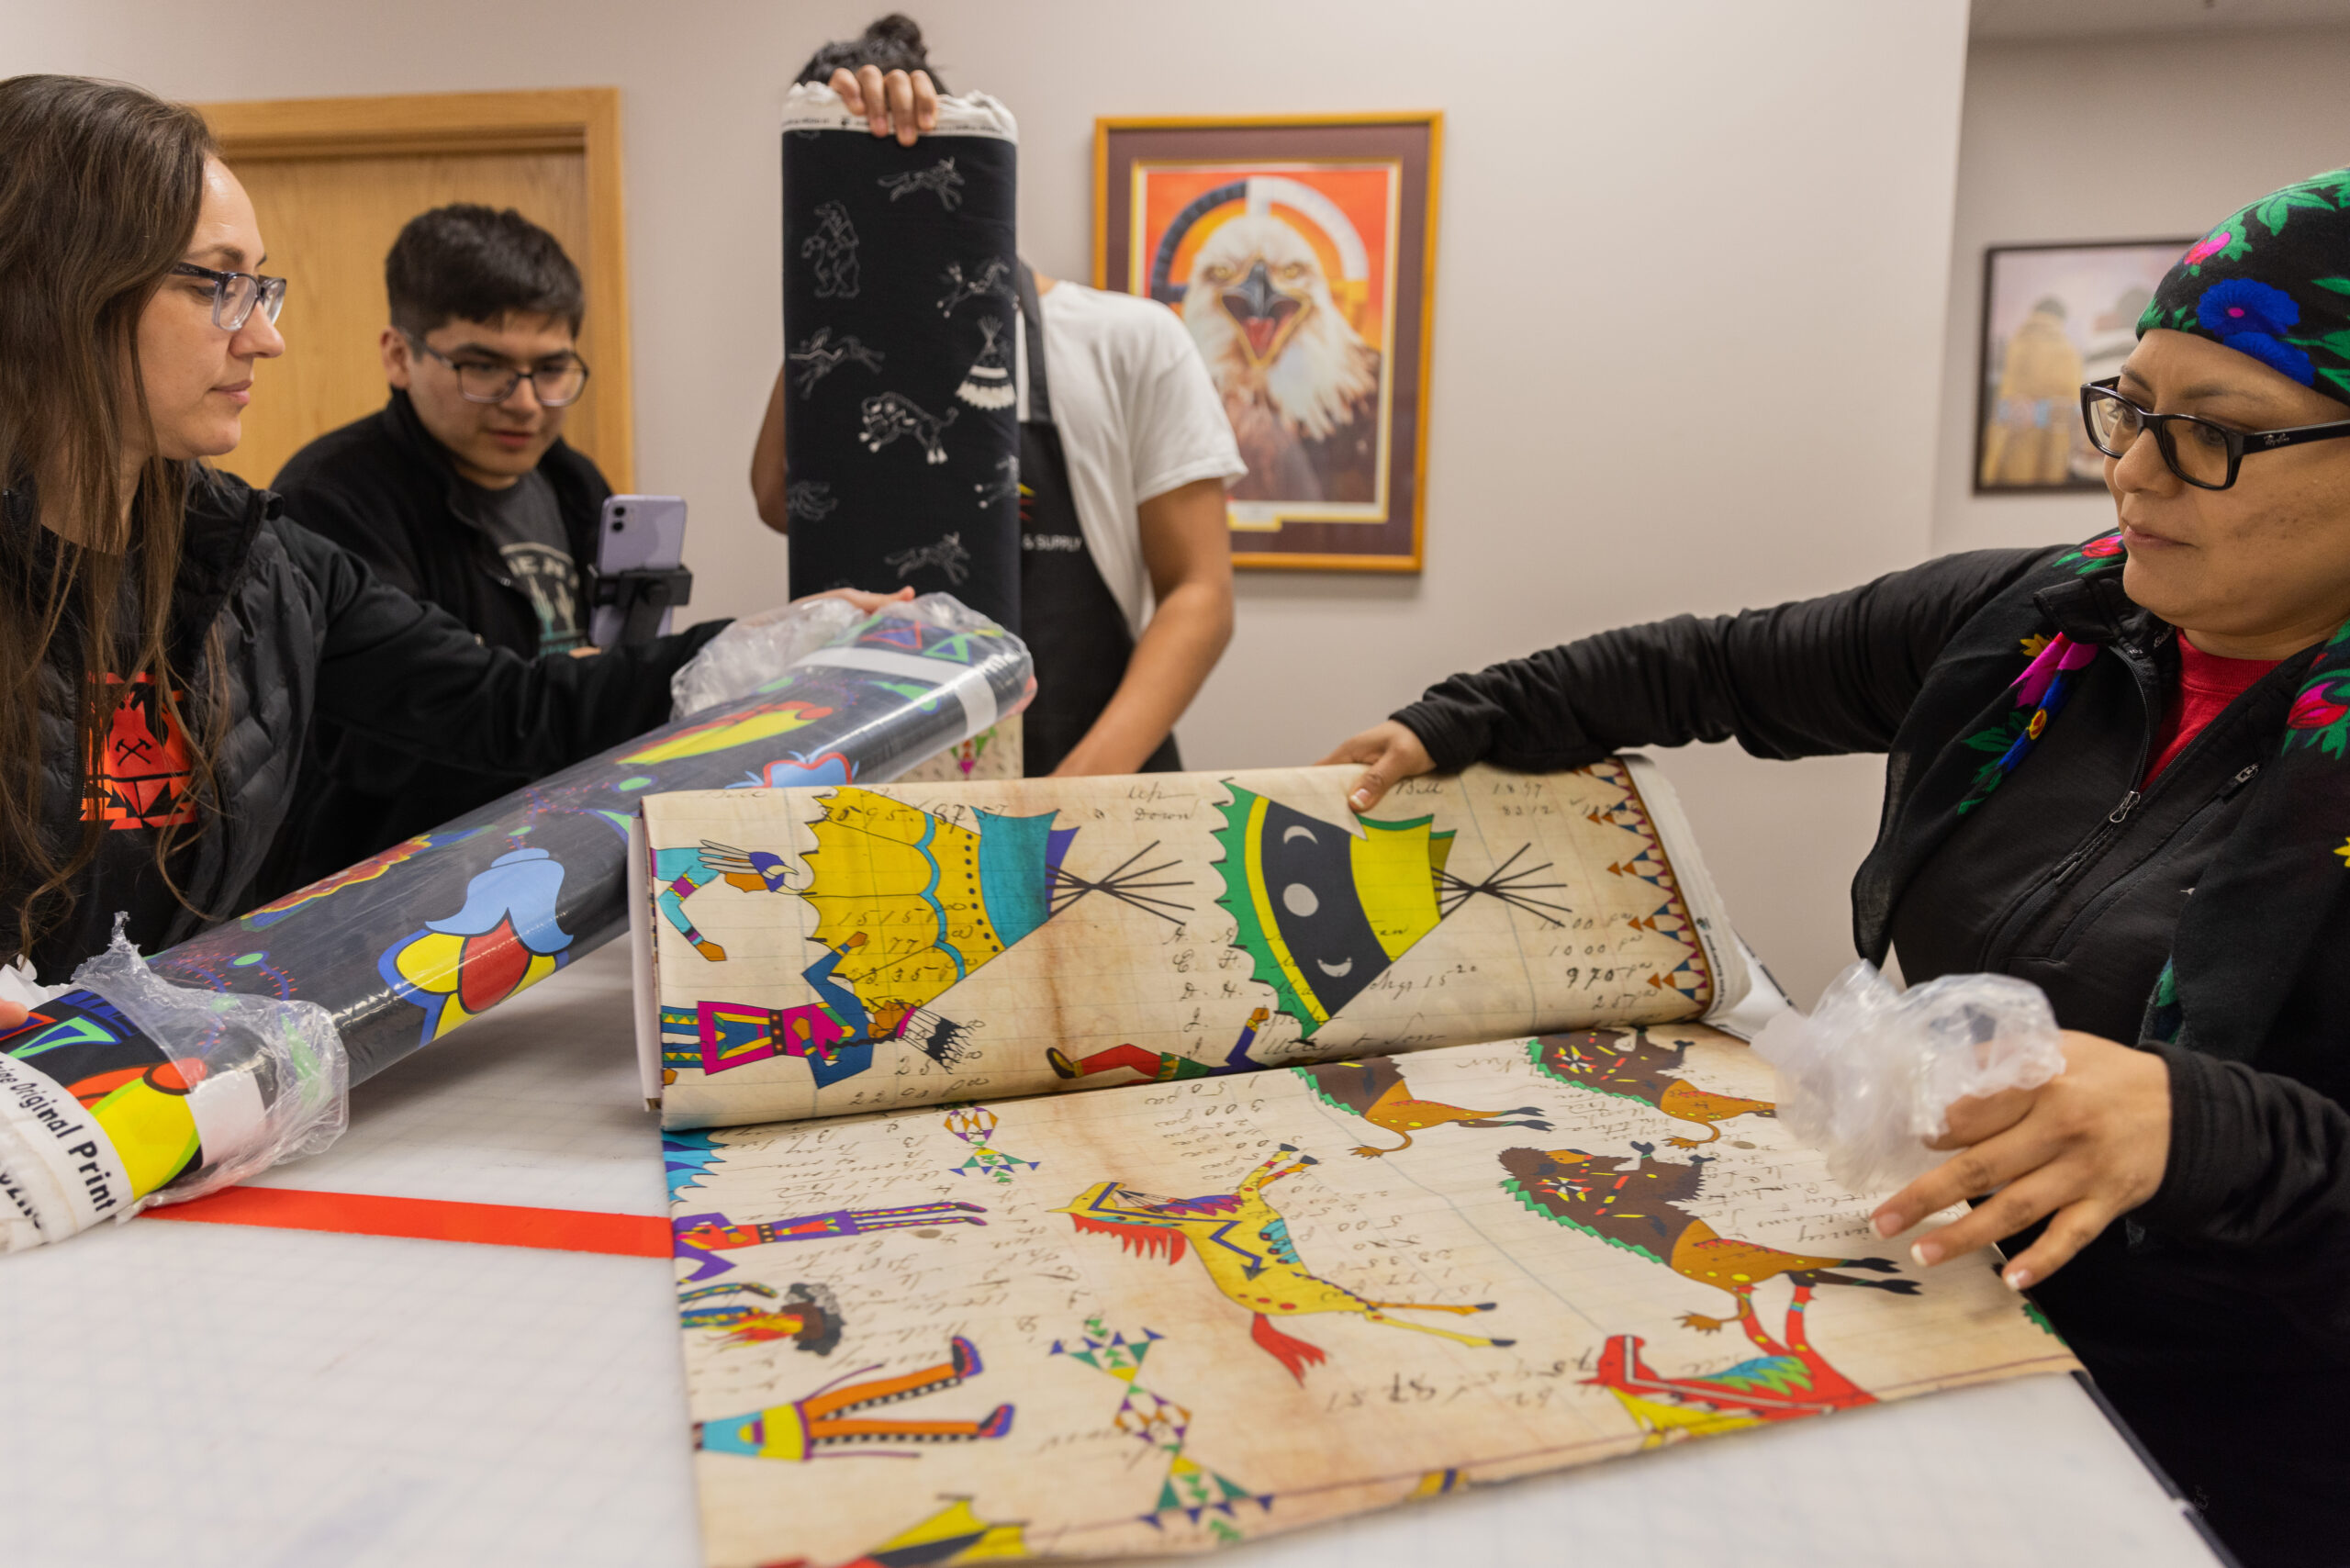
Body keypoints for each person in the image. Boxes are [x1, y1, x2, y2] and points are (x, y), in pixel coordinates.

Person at [1326, 173, 2350, 1566]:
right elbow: (1720, 663)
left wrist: (2211, 1128)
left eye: (2218, 436)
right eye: (2133, 407)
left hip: (2241, 1434)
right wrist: (1459, 718)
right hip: (1937, 1318)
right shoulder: (2041, 622)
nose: (2135, 472)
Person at [0, 74, 866, 1002]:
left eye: (262, 289)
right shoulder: (336, 497)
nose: (263, 337)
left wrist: (767, 649)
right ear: (65, 286)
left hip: (178, 1101)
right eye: (219, 285)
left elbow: (507, 709)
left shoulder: (264, 566)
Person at [750, 16, 1245, 777]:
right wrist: (828, 299)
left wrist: (1073, 791)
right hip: (883, 782)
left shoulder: (1131, 340)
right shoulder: (847, 355)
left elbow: (1200, 593)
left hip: (1092, 775)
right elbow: (779, 500)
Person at [265, 205, 667, 888]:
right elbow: (379, 738)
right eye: (484, 367)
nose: (526, 403)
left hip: (551, 866)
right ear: (399, 355)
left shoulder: (574, 483)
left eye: (552, 369)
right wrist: (564, 690)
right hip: (384, 897)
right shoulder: (327, 499)